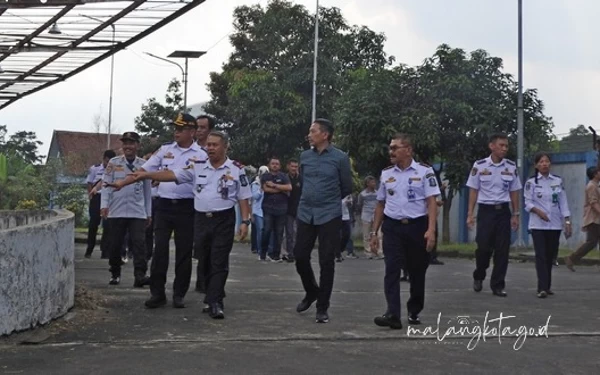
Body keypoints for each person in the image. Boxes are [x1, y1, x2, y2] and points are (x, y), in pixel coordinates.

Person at [121, 131, 251, 319]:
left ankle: (215, 301)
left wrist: (245, 221)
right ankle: (211, 293)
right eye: (209, 145)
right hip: (200, 219)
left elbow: (243, 196)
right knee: (204, 258)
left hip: (224, 219)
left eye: (215, 145)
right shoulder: (197, 167)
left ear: (225, 147)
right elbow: (173, 175)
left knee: (219, 259)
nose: (211, 148)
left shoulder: (236, 169)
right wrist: (146, 175)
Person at [113, 113, 207, 309]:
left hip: (186, 207)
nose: (176, 132)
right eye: (175, 129)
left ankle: (179, 294)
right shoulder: (164, 151)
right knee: (159, 250)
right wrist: (122, 182)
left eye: (181, 129)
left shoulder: (200, 155)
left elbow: (172, 175)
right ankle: (157, 293)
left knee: (183, 252)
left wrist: (146, 175)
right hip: (164, 206)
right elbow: (142, 172)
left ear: (192, 131)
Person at [369, 133, 439, 329]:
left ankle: (414, 309)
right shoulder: (386, 174)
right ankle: (392, 313)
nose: (390, 151)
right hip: (392, 227)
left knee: (417, 272)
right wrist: (374, 233)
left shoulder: (425, 172)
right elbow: (381, 204)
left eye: (395, 148)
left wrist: (431, 230)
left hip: (417, 226)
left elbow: (432, 201)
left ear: (408, 150)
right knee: (391, 268)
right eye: (390, 147)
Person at [294, 118, 352, 324]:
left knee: (326, 260)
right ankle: (312, 291)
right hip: (305, 212)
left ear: (325, 135)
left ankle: (322, 307)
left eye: (313, 131)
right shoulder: (305, 156)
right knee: (299, 255)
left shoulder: (340, 158)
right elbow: (302, 181)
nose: (309, 135)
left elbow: (346, 186)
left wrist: (328, 199)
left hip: (329, 214)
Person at [466, 133, 522, 297]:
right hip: (486, 211)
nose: (505, 149)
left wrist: (515, 214)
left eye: (506, 146)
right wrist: (470, 214)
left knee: (502, 250)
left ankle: (497, 285)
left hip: (503, 212)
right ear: (492, 146)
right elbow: (473, 190)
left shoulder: (510, 167)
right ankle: (479, 274)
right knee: (483, 248)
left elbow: (514, 191)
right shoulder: (480, 165)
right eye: (501, 145)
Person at [100, 132, 152, 287]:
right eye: (125, 143)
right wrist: (104, 205)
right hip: (117, 210)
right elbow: (105, 185)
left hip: (137, 211)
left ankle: (140, 275)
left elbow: (147, 191)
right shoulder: (114, 163)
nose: (128, 146)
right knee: (115, 244)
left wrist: (148, 213)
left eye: (131, 143)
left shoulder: (143, 165)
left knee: (139, 244)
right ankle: (115, 273)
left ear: (137, 145)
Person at [524, 152, 572, 298]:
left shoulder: (557, 181)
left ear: (550, 164)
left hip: (555, 224)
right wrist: (538, 211)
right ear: (536, 165)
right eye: (541, 162)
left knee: (551, 255)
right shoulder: (531, 183)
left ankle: (547, 285)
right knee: (541, 255)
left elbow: (563, 202)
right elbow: (527, 202)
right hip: (538, 224)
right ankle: (542, 288)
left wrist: (567, 221)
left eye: (547, 161)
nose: (544, 164)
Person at [564, 167, 600, 272]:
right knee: (591, 242)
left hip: (597, 219)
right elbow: (593, 203)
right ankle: (572, 258)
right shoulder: (591, 186)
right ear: (595, 174)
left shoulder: (596, 185)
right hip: (593, 219)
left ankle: (572, 258)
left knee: (591, 242)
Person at [85, 150, 116, 258]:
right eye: (107, 161)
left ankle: (105, 251)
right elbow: (89, 183)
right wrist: (90, 195)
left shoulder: (115, 169)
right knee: (93, 225)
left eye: (110, 162)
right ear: (103, 159)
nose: (108, 164)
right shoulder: (95, 168)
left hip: (108, 198)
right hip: (96, 197)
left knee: (107, 226)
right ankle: (89, 249)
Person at [260, 157, 292, 262]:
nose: (275, 165)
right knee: (267, 230)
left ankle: (276, 255)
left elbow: (289, 188)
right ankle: (263, 253)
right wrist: (281, 189)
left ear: (280, 165)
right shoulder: (265, 176)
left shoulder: (284, 176)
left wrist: (274, 185)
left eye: (277, 164)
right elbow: (266, 189)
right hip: (268, 207)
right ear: (269, 165)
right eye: (273, 163)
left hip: (282, 208)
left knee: (279, 232)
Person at [358, 176, 382, 259]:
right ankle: (368, 253)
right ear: (367, 184)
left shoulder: (378, 193)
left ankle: (379, 252)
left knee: (378, 234)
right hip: (366, 216)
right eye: (372, 182)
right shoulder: (362, 194)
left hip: (376, 216)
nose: (374, 184)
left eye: (374, 182)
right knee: (367, 235)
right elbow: (359, 204)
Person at [284, 158, 302, 262]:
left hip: (299, 209)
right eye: (292, 166)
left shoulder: (301, 179)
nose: (294, 168)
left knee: (299, 233)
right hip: (287, 209)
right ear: (288, 167)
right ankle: (290, 253)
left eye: (296, 167)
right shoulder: (284, 178)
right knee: (289, 233)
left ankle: (297, 252)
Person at [251, 166, 269, 257]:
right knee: (260, 231)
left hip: (268, 210)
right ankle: (260, 251)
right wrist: (261, 189)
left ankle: (268, 251)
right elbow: (255, 197)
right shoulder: (255, 184)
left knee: (268, 231)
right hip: (258, 211)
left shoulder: (269, 183)